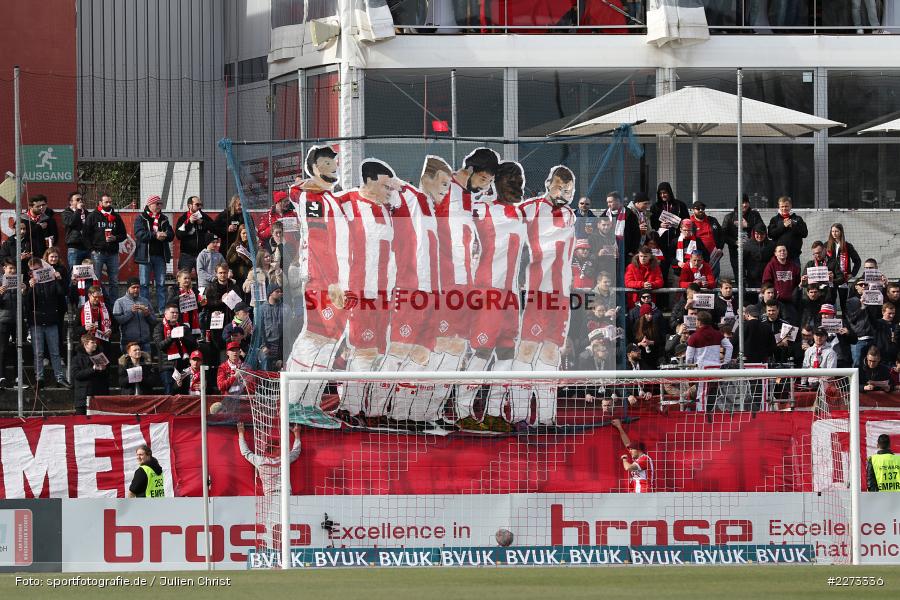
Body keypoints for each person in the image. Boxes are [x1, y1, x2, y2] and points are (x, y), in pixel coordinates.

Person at [458, 161, 528, 432]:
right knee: (481, 350)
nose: (516, 185)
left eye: (519, 180)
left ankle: (496, 411)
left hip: (510, 294)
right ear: (497, 182)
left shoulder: (520, 214)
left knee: (507, 352)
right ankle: (464, 411)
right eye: (511, 179)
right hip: (487, 291)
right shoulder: (480, 208)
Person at [24, 258, 70, 388]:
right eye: (32, 271)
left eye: (38, 269)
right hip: (36, 323)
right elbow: (27, 304)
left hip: (51, 321)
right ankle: (39, 379)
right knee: (38, 353)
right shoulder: (30, 284)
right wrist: (30, 288)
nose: (36, 272)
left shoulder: (52, 280)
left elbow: (63, 293)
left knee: (55, 352)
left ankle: (59, 378)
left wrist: (58, 279)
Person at [236, 421, 301, 497]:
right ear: (274, 449)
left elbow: (245, 452)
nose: (282, 449)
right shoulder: (283, 460)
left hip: (272, 497)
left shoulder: (261, 461)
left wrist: (241, 433)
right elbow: (296, 452)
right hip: (283, 496)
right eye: (279, 448)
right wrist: (297, 434)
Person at [133, 194, 175, 311]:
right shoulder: (141, 218)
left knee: (161, 284)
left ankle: (162, 310)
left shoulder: (164, 218)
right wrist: (155, 235)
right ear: (150, 204)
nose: (159, 206)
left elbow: (171, 234)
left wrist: (165, 235)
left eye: (160, 204)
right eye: (157, 204)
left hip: (160, 256)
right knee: (144, 284)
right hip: (145, 256)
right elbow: (139, 234)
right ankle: (146, 309)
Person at [686, 311, 733, 413]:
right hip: (715, 369)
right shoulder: (718, 334)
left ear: (699, 322)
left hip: (701, 370)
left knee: (701, 393)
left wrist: (689, 369)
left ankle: (701, 413)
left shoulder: (694, 337)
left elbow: (689, 358)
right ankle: (710, 412)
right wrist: (725, 363)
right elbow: (729, 346)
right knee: (713, 393)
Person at [84, 194, 127, 303]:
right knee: (96, 280)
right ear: (100, 203)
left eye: (110, 202)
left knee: (114, 281)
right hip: (97, 253)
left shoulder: (116, 217)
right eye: (106, 202)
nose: (108, 204)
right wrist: (91, 250)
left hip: (112, 253)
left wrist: (115, 238)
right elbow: (85, 235)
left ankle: (113, 305)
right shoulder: (93, 216)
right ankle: (97, 303)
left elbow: (123, 234)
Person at [154, 302, 198, 395]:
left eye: (177, 313)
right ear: (166, 314)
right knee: (169, 393)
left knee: (184, 392)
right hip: (168, 366)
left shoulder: (184, 327)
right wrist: (172, 337)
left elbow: (194, 345)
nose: (175, 314)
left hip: (183, 365)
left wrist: (183, 337)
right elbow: (160, 345)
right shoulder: (159, 327)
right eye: (172, 312)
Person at [722, 194, 763, 278]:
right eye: (742, 202)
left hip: (752, 252)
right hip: (736, 252)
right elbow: (723, 235)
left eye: (746, 202)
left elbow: (762, 229)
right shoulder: (729, 217)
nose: (744, 205)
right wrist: (735, 242)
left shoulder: (755, 215)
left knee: (754, 277)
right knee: (740, 277)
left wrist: (748, 226)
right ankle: (741, 290)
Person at [113, 277, 156, 353]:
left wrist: (147, 314)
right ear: (128, 288)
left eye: (138, 287)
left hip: (145, 342)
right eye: (133, 287)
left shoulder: (145, 301)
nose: (136, 290)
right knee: (129, 365)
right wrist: (131, 313)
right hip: (129, 343)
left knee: (147, 364)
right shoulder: (120, 302)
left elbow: (153, 321)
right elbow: (118, 321)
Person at [825, 223, 861, 314]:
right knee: (830, 301)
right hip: (831, 279)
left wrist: (852, 274)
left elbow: (857, 261)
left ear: (841, 232)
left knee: (844, 303)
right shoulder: (826, 245)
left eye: (836, 231)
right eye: (832, 231)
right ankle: (830, 322)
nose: (834, 233)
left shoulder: (847, 246)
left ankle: (845, 324)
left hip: (843, 278)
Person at [612, 418, 654, 493]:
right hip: (637, 491)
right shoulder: (638, 458)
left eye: (632, 449)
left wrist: (624, 459)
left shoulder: (645, 459)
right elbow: (627, 443)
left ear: (638, 450)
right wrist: (619, 427)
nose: (630, 451)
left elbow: (628, 467)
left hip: (644, 492)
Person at [72, 333, 110, 415]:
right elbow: (76, 375)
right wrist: (93, 369)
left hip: (98, 395)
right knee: (81, 423)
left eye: (96, 342)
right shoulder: (77, 358)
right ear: (86, 344)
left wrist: (103, 370)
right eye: (92, 342)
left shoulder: (100, 356)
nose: (95, 344)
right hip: (83, 397)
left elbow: (107, 375)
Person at [175, 196, 214, 273]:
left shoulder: (204, 216)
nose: (199, 207)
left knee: (202, 280)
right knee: (183, 278)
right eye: (197, 204)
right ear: (189, 206)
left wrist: (202, 222)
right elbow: (178, 235)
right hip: (186, 255)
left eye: (201, 205)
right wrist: (190, 223)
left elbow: (214, 227)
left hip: (202, 254)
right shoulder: (183, 218)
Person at [597, 190, 640, 261]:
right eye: (607, 202)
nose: (608, 204)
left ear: (618, 201)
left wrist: (632, 251)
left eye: (610, 202)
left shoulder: (629, 214)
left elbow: (636, 234)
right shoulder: (605, 214)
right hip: (609, 252)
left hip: (625, 251)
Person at [767, 196, 808, 263]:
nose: (784, 208)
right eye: (782, 206)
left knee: (795, 273)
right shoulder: (774, 219)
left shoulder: (798, 219)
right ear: (779, 207)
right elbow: (770, 234)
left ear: (790, 206)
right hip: (779, 257)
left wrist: (793, 226)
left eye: (786, 206)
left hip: (794, 257)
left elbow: (804, 233)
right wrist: (783, 226)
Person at [0, 259, 21, 387]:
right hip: (3, 320)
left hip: (17, 320)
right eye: (10, 268)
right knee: (2, 349)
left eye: (14, 268)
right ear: (4, 269)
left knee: (17, 349)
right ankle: (1, 377)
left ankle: (18, 377)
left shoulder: (19, 281)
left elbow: (25, 303)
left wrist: (24, 292)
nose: (12, 271)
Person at [688, 201, 724, 277]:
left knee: (714, 275)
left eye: (702, 208)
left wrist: (720, 247)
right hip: (697, 256)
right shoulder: (689, 222)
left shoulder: (712, 220)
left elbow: (721, 234)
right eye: (698, 208)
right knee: (698, 276)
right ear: (693, 210)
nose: (701, 210)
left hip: (713, 254)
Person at [743, 223, 775, 301]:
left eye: (762, 234)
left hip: (767, 279)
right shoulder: (747, 245)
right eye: (757, 234)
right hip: (752, 278)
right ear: (754, 233)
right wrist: (743, 277)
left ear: (765, 234)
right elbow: (742, 263)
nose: (759, 236)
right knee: (752, 300)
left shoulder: (771, 245)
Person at [258, 285, 284, 371]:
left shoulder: (284, 307)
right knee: (266, 367)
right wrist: (264, 346)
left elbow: (288, 328)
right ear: (270, 294)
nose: (280, 293)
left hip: (281, 344)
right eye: (277, 291)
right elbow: (260, 329)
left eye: (280, 291)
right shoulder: (262, 309)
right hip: (268, 344)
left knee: (281, 368)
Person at [62, 191, 91, 267]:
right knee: (74, 273)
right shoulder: (66, 213)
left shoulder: (86, 212)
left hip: (86, 247)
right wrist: (78, 210)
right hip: (74, 248)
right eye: (77, 200)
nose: (80, 201)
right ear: (71, 202)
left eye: (81, 199)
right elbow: (71, 222)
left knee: (88, 273)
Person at [226, 225, 253, 291]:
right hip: (237, 276)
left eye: (247, 233)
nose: (245, 235)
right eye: (243, 233)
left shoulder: (252, 246)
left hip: (249, 276)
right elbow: (228, 260)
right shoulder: (235, 245)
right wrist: (236, 256)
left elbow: (254, 263)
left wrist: (243, 257)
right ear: (240, 234)